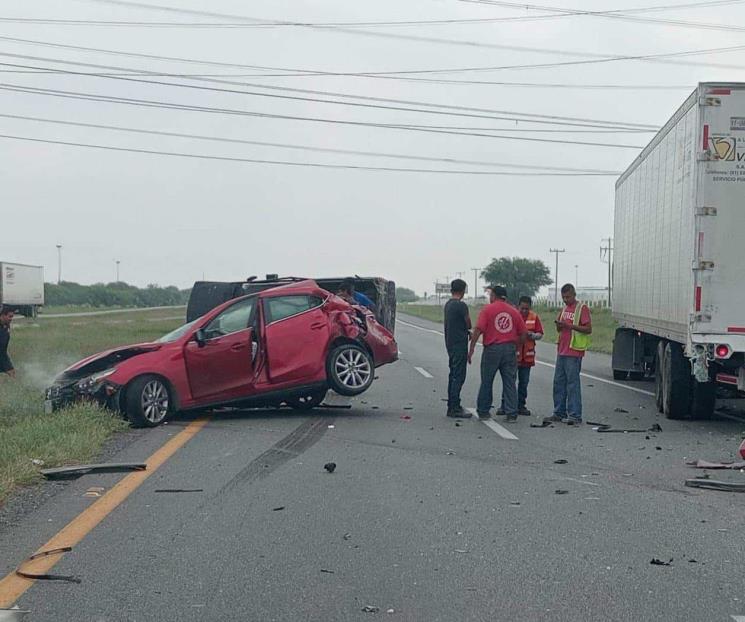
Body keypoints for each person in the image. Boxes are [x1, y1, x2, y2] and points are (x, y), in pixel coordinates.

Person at [468, 285, 527, 422]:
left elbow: (478, 330)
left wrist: (471, 349)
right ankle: (512, 412)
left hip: (492, 349)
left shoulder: (487, 310)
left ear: (494, 296)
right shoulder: (513, 311)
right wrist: (517, 347)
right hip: (509, 349)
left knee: (487, 380)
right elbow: (524, 333)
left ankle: (483, 411)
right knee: (510, 382)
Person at [548, 283, 592, 425]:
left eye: (568, 297)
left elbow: (588, 329)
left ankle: (574, 415)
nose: (566, 300)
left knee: (572, 384)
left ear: (574, 294)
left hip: (574, 351)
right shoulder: (564, 308)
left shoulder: (581, 308)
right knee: (559, 383)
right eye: (563, 297)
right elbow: (560, 329)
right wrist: (559, 326)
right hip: (562, 350)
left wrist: (570, 326)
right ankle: (559, 412)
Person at [498, 296, 544, 416]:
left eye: (526, 309)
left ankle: (521, 405)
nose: (524, 311)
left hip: (527, 357)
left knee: (524, 383)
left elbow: (540, 334)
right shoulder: (512, 316)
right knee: (509, 382)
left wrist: (531, 335)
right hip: (513, 356)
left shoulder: (534, 317)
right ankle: (504, 406)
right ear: (518, 306)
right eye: (522, 308)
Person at [443, 279, 471, 418]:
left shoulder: (448, 305)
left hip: (450, 343)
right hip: (460, 344)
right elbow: (468, 323)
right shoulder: (461, 306)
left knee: (453, 375)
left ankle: (452, 405)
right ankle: (454, 407)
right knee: (459, 376)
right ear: (463, 290)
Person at [0, 305, 16, 378]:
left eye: (12, 317)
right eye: (10, 316)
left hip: (2, 354)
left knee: (12, 372)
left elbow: (3, 348)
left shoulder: (6, 326)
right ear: (3, 315)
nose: (11, 319)